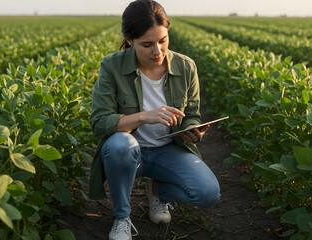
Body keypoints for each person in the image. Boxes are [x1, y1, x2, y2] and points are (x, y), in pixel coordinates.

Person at [89, 0, 220, 239]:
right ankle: (122, 217)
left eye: (163, 41)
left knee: (208, 193)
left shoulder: (186, 66)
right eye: (147, 44)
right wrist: (144, 117)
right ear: (129, 40)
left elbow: (191, 115)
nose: (157, 51)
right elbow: (99, 122)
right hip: (129, 153)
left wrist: (192, 129)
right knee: (120, 144)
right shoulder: (111, 66)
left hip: (168, 150)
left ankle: (158, 191)